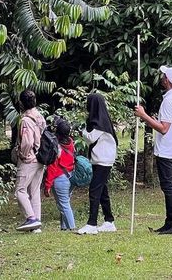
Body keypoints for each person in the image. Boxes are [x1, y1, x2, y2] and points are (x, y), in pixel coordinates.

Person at [134, 65, 172, 235]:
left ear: (168, 80)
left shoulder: (169, 100)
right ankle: (171, 222)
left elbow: (163, 128)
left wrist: (143, 115)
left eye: (164, 76)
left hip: (167, 148)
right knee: (168, 186)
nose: (162, 78)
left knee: (168, 186)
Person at [77, 93, 118, 235]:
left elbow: (90, 138)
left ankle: (92, 223)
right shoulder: (102, 120)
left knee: (94, 190)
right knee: (102, 191)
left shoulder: (100, 123)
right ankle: (109, 221)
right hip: (101, 159)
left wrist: (81, 130)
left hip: (103, 160)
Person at [14, 89, 47, 233]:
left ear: (21, 103)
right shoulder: (39, 116)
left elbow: (27, 142)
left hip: (29, 159)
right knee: (34, 191)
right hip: (40, 157)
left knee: (20, 190)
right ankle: (36, 225)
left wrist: (22, 155)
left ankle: (31, 218)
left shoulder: (26, 120)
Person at [44, 118, 76, 231]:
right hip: (70, 175)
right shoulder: (71, 142)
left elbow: (52, 168)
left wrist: (47, 185)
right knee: (65, 202)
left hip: (60, 178)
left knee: (63, 205)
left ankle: (72, 228)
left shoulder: (56, 146)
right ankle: (64, 228)